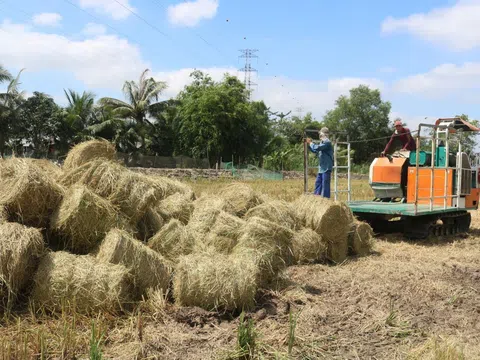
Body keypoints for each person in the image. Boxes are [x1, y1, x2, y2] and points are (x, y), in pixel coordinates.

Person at [306, 127, 333, 198]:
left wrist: (311, 143)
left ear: (324, 135)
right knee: (318, 183)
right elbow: (315, 150)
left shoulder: (327, 143)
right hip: (321, 168)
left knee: (325, 185)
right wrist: (308, 145)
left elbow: (317, 148)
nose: (320, 137)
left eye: (321, 135)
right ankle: (316, 198)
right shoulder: (322, 143)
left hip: (326, 168)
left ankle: (326, 200)